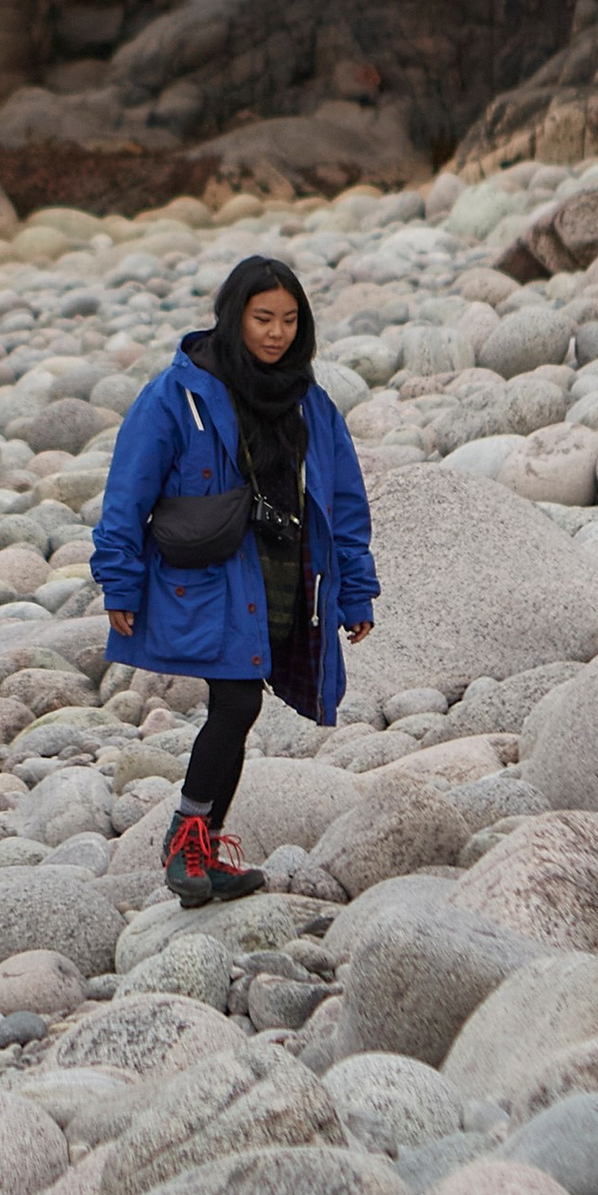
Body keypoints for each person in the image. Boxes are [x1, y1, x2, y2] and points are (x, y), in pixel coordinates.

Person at [90, 254, 378, 906]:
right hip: (211, 579)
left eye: (288, 320)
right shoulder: (176, 395)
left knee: (239, 710)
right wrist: (120, 583)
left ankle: (204, 849)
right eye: (262, 318)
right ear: (233, 317)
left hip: (282, 573)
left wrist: (355, 588)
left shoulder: (311, 402)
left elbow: (345, 503)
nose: (276, 333)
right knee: (239, 701)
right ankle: (185, 838)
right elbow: (125, 495)